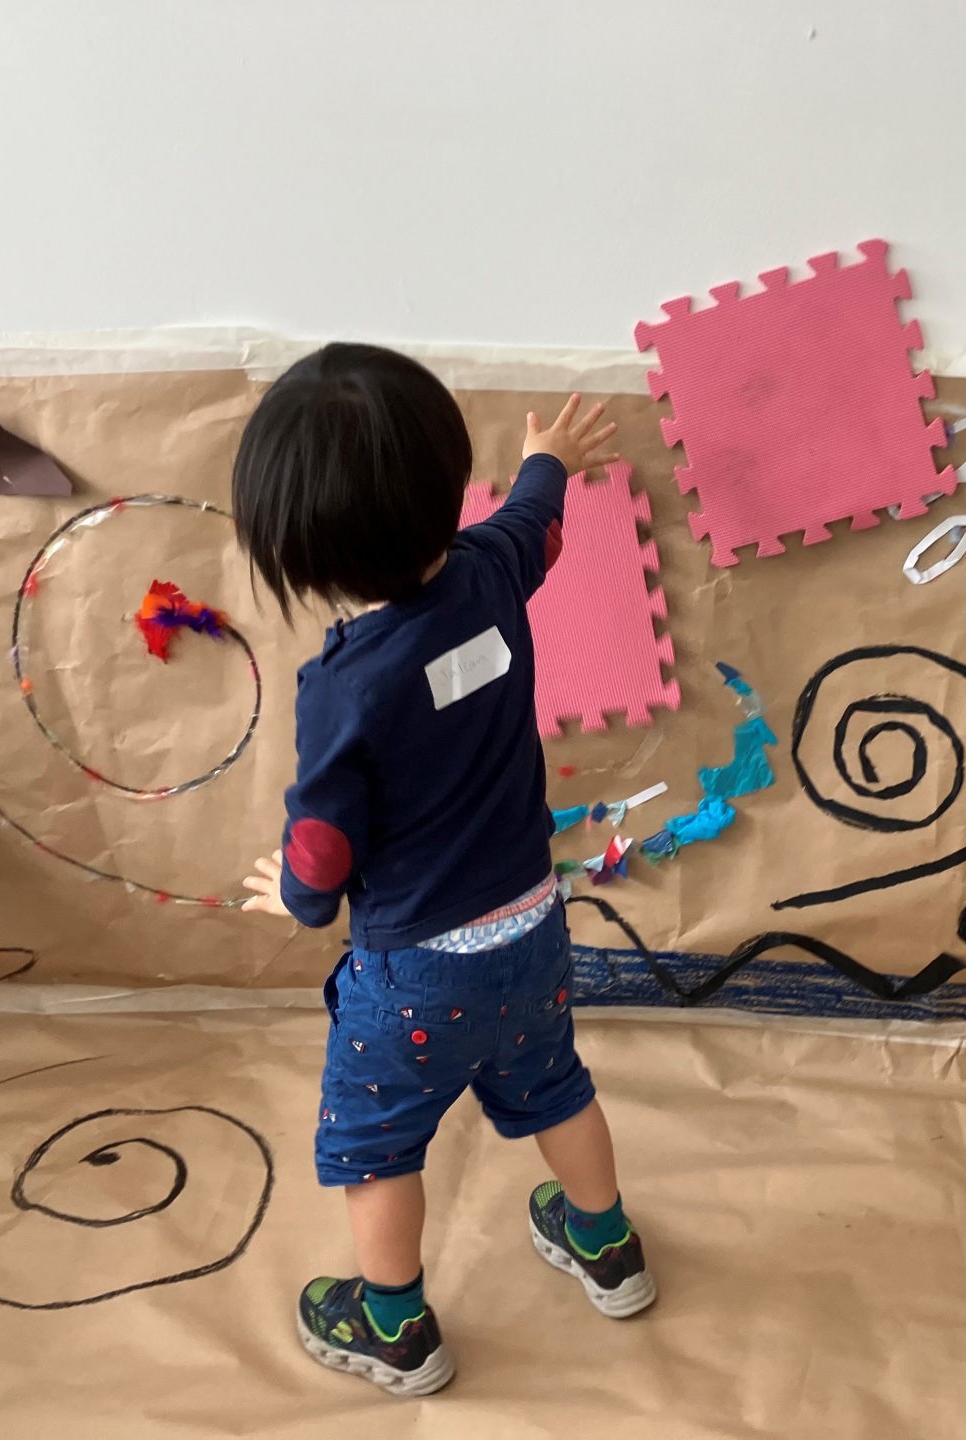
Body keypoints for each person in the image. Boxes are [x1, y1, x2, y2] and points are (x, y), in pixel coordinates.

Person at [234, 344, 653, 1397]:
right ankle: (607, 1246)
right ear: (444, 484)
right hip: (531, 926)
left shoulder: (343, 684)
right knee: (555, 1085)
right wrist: (548, 458)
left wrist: (295, 899)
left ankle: (394, 1327)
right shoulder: (487, 572)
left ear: (303, 556)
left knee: (377, 1146)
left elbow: (324, 844)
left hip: (414, 976)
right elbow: (535, 522)